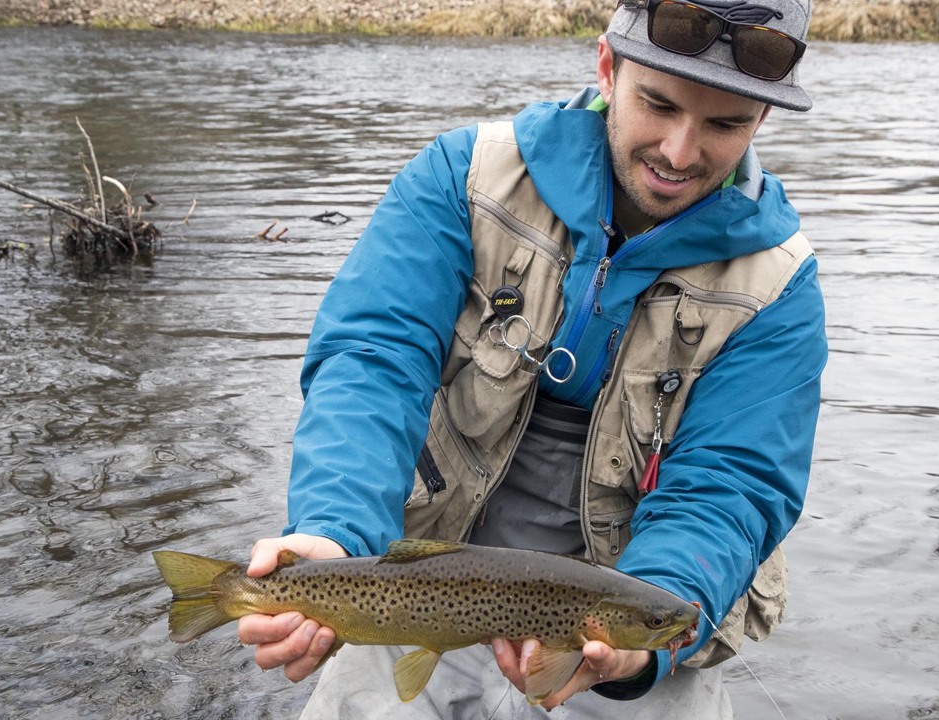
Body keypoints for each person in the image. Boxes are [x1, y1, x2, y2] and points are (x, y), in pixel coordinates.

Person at [239, 0, 825, 716]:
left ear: (761, 122)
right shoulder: (463, 178)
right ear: (607, 68)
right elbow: (374, 362)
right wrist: (335, 533)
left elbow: (730, 487)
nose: (678, 151)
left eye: (725, 124)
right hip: (423, 585)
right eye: (658, 104)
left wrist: (643, 641)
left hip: (634, 601)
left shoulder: (778, 287)